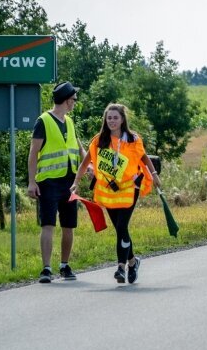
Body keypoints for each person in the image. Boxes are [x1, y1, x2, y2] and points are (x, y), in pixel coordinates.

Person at [71, 103, 160, 284]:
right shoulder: (98, 140)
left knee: (121, 227)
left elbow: (144, 158)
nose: (112, 121)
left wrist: (155, 175)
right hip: (108, 191)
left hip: (129, 188)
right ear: (105, 119)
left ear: (122, 119)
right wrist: (75, 182)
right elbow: (85, 162)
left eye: (115, 118)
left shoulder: (133, 139)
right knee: (121, 229)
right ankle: (133, 262)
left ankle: (120, 267)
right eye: (109, 118)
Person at [27, 81, 87, 284]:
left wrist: (88, 165)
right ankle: (46, 268)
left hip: (69, 181)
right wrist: (31, 182)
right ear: (67, 100)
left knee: (69, 225)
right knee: (48, 224)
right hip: (49, 182)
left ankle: (64, 265)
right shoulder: (43, 121)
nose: (75, 103)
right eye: (74, 100)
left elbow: (78, 146)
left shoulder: (69, 122)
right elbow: (33, 152)